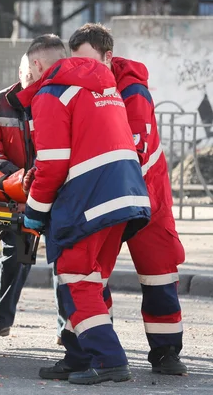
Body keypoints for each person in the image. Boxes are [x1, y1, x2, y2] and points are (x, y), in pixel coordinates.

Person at [18, 34, 151, 385]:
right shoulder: (100, 87)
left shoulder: (51, 94)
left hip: (90, 197)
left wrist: (33, 213)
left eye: (24, 73)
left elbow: (54, 164)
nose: (24, 82)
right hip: (126, 193)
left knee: (77, 277)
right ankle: (78, 356)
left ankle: (108, 360)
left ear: (35, 66)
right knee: (92, 280)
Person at [68, 22, 187, 375]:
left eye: (89, 62)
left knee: (159, 275)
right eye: (77, 64)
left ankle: (166, 353)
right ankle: (93, 351)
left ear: (109, 56)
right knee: (91, 276)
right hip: (107, 194)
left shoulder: (132, 90)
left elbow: (134, 149)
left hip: (146, 197)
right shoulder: (84, 87)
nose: (84, 70)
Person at [0, 54, 35, 341]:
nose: (34, 80)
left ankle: (70, 329)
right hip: (14, 194)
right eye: (30, 73)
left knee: (67, 262)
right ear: (21, 70)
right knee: (15, 255)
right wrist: (22, 180)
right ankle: (0, 321)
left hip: (58, 190)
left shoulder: (61, 100)